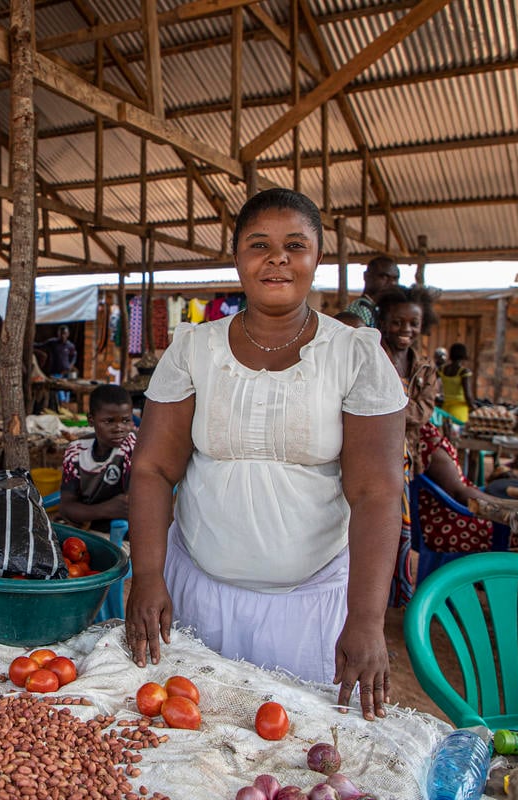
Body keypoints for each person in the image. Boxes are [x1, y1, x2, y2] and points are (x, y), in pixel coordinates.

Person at [126, 188, 406, 718]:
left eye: (295, 245)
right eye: (259, 245)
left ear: (316, 258)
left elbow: (377, 493)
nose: (277, 258)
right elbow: (153, 469)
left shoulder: (355, 355)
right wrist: (147, 575)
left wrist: (367, 620)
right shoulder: (194, 349)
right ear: (237, 258)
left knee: (290, 742)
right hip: (195, 595)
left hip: (308, 609)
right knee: (189, 734)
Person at [376, 286, 440, 608]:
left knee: (395, 528)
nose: (406, 329)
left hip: (403, 461)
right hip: (371, 454)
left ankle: (390, 598)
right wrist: (396, 407)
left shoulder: (425, 369)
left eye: (413, 323)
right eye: (397, 322)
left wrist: (385, 407)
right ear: (383, 322)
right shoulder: (372, 356)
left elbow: (421, 413)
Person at [60, 385, 136, 534]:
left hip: (122, 534)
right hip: (86, 531)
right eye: (109, 421)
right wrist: (106, 509)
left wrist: (85, 512)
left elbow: (129, 506)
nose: (119, 428)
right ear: (91, 420)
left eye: (126, 420)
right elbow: (66, 507)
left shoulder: (132, 447)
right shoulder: (76, 451)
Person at [344, 256, 400, 328]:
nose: (392, 283)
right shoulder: (362, 309)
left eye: (395, 278)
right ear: (366, 276)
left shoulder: (375, 307)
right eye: (384, 277)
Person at [438, 343, 476, 423]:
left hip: (445, 409)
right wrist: (473, 407)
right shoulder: (464, 372)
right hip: (459, 410)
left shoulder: (442, 369)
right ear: (463, 355)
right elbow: (467, 395)